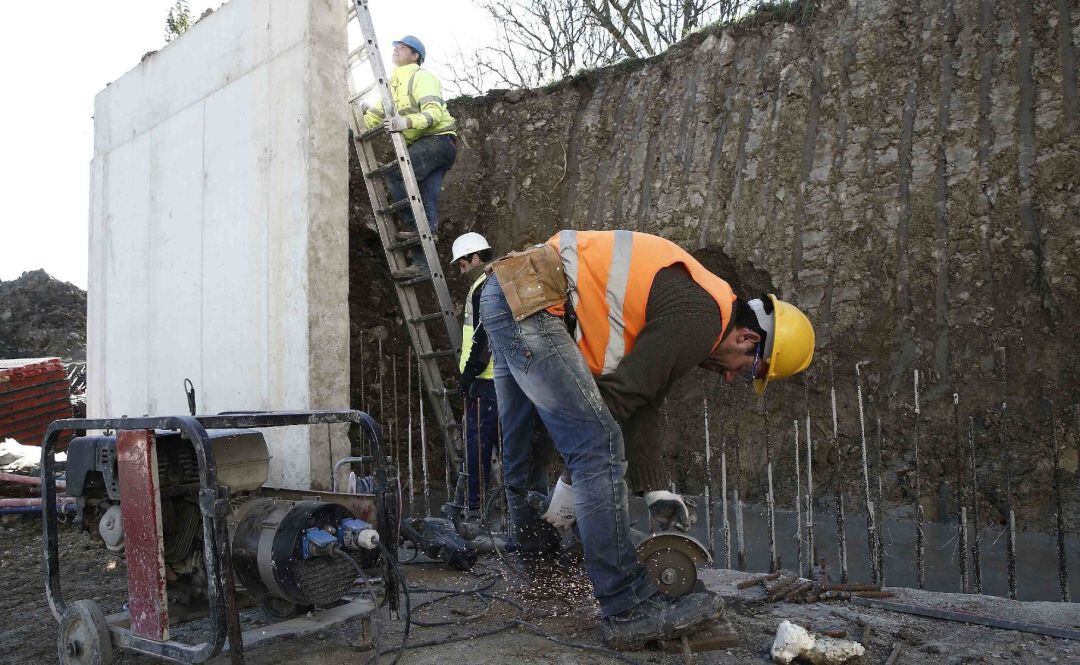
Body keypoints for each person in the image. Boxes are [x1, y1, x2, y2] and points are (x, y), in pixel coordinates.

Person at [479, 230, 815, 650]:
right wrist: (571, 484)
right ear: (749, 338)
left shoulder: (698, 308)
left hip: (510, 291)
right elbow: (618, 404)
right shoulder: (703, 317)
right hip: (536, 303)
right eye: (749, 370)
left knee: (527, 441)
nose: (732, 377)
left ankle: (535, 551)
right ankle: (627, 604)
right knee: (598, 446)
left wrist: (655, 489)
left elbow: (644, 396)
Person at [364, 35, 457, 278]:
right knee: (425, 199)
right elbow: (374, 115)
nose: (396, 50)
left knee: (397, 175)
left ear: (415, 56)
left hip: (438, 140)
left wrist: (405, 122)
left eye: (402, 47)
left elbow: (434, 113)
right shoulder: (392, 85)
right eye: (395, 46)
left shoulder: (421, 77)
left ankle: (419, 229)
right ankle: (423, 264)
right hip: (434, 145)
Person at [451, 232, 499, 511]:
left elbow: (484, 338)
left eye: (462, 264)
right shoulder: (496, 281)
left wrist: (468, 375)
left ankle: (474, 508)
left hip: (484, 381)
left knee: (477, 447)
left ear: (476, 257)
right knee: (504, 448)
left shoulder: (483, 287)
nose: (461, 270)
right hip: (501, 380)